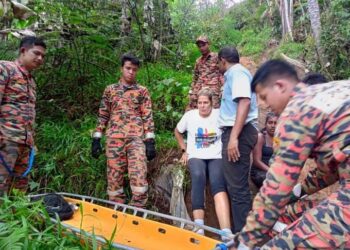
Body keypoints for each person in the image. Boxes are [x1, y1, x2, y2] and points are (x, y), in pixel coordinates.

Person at [234, 59, 350, 249]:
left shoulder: (295, 112)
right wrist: (300, 191)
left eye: (263, 96)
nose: (264, 105)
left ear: (280, 86)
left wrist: (245, 242)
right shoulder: (335, 90)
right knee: (288, 213)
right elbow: (332, 166)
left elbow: (276, 188)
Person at [91, 54, 156, 208]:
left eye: (134, 69)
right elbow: (103, 114)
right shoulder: (110, 90)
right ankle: (117, 209)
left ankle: (138, 209)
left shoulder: (142, 91)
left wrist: (150, 141)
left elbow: (147, 115)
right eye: (128, 68)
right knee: (114, 178)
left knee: (139, 174)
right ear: (121, 69)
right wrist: (96, 138)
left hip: (136, 138)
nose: (131, 72)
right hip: (114, 139)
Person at [174, 88, 232, 239]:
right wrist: (183, 150)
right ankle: (198, 225)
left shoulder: (219, 114)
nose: (202, 106)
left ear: (212, 103)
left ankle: (226, 231)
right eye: (200, 103)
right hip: (196, 155)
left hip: (216, 156)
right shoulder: (190, 116)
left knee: (218, 183)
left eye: (206, 102)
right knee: (198, 176)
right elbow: (178, 131)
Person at [217, 46, 258, 233]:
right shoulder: (235, 74)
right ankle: (239, 234)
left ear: (223, 60)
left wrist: (233, 137)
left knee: (238, 188)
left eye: (218, 62)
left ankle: (244, 238)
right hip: (237, 132)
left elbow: (245, 101)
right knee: (235, 186)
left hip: (239, 133)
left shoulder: (237, 73)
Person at [0, 36, 46, 197]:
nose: (40, 58)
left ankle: (15, 221)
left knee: (19, 192)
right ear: (23, 51)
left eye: (43, 56)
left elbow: (29, 115)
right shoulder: (6, 69)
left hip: (25, 145)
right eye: (36, 53)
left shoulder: (31, 81)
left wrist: (32, 142)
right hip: (6, 141)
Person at [187, 35, 223, 110]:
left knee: (213, 112)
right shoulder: (198, 61)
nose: (201, 48)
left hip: (213, 90)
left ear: (208, 44)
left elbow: (222, 72)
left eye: (203, 45)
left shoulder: (216, 57)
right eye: (199, 46)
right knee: (192, 111)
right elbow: (195, 77)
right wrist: (191, 91)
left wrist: (223, 87)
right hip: (199, 90)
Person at [251, 112, 278, 188]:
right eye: (270, 123)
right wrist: (271, 171)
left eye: (275, 123)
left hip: (272, 171)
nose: (273, 126)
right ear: (266, 124)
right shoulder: (261, 137)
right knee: (272, 181)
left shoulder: (279, 139)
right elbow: (256, 161)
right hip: (259, 172)